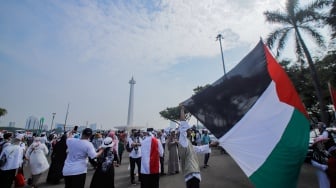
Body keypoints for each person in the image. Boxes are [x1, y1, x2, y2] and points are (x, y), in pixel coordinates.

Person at [178, 106, 218, 188]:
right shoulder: (183, 142)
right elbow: (183, 125)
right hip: (191, 173)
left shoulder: (188, 143)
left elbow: (199, 149)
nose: (190, 131)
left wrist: (211, 145)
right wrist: (182, 109)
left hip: (193, 173)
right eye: (189, 130)